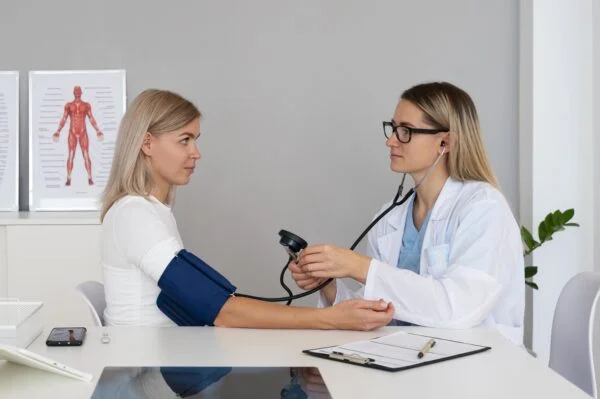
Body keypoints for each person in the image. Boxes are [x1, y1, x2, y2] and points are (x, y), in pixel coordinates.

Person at [100, 88, 394, 331]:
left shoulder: (152, 212)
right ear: (147, 144)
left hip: (165, 361)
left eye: (195, 140)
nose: (196, 153)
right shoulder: (133, 215)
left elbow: (210, 303)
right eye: (184, 140)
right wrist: (330, 319)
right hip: (144, 374)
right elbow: (221, 310)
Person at [290, 82, 524, 345]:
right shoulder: (392, 216)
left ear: (444, 142)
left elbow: (458, 309)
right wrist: (328, 286)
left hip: (474, 367)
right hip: (404, 357)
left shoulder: (483, 208)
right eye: (392, 128)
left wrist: (359, 266)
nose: (391, 141)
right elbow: (381, 309)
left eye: (405, 131)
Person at [52, 85, 104, 186]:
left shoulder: (86, 105)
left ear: (81, 92)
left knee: (86, 155)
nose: (77, 92)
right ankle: (68, 178)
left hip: (83, 132)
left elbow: (91, 118)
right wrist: (58, 131)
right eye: (76, 90)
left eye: (78, 90)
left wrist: (98, 130)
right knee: (71, 155)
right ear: (73, 92)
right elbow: (64, 118)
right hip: (72, 132)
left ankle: (89, 177)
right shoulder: (68, 105)